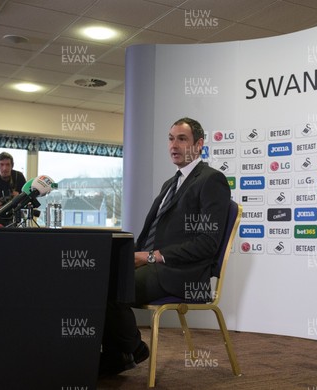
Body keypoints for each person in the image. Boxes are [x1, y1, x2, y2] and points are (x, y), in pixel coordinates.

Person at [99, 117, 231, 377]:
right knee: (99, 278)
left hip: (183, 274)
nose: (174, 145)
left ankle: (130, 350)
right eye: (171, 139)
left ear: (199, 144)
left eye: (182, 139)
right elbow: (152, 233)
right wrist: (125, 255)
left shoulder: (211, 180)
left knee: (110, 287)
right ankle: (121, 353)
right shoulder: (170, 183)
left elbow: (207, 243)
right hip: (157, 267)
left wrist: (150, 257)